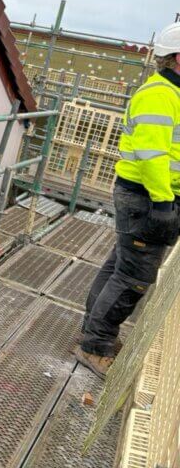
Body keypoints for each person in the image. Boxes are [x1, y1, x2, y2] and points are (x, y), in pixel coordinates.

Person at [77, 22, 180, 378]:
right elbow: (153, 155)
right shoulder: (160, 95)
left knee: (121, 266)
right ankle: (95, 345)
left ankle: (93, 332)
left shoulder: (170, 93)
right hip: (149, 198)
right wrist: (165, 204)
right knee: (134, 277)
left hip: (147, 196)